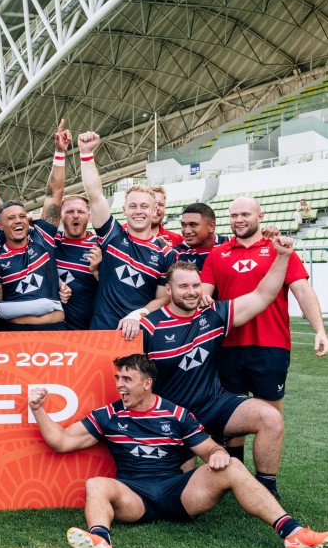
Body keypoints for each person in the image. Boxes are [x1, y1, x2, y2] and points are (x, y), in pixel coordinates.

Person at [28, 354, 328, 548]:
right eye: (118, 377)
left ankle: (293, 534)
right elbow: (62, 441)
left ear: (146, 383)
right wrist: (39, 409)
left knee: (234, 466)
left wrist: (220, 454)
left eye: (127, 379)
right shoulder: (108, 415)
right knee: (96, 484)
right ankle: (100, 542)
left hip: (178, 493)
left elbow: (209, 449)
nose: (120, 384)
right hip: (135, 497)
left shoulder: (176, 414)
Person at [138, 253, 292, 496]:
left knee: (270, 417)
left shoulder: (213, 313)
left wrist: (283, 256)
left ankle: (266, 488)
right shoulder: (148, 327)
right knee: (181, 490)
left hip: (213, 404)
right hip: (173, 418)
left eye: (196, 285)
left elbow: (263, 295)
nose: (191, 291)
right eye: (184, 286)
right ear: (168, 289)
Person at [200, 196, 327, 425]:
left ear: (260, 217)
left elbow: (302, 290)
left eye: (245, 215)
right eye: (233, 215)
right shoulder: (217, 254)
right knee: (230, 418)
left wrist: (319, 329)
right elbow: (203, 293)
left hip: (271, 345)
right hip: (227, 345)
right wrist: (203, 298)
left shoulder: (281, 250)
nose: (239, 220)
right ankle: (235, 463)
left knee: (271, 421)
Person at [79, 132, 176, 333]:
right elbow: (95, 195)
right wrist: (86, 154)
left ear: (154, 210)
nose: (138, 211)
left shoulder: (166, 253)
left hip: (138, 334)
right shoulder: (112, 236)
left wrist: (137, 315)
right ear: (124, 210)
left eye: (144, 206)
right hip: (101, 332)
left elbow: (164, 298)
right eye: (132, 206)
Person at [0, 121, 72, 330]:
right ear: (0, 226)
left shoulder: (42, 236)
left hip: (54, 333)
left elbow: (55, 194)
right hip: (16, 337)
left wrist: (59, 154)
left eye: (22, 216)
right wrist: (47, 310)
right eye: (11, 218)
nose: (18, 221)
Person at [55, 194, 102, 329]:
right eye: (69, 211)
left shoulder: (99, 246)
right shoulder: (51, 242)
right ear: (61, 216)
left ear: (89, 216)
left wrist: (97, 271)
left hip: (89, 330)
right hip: (55, 329)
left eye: (81, 211)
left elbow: (112, 289)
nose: (75, 215)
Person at [172, 202, 230, 271]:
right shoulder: (175, 254)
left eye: (193, 225)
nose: (187, 231)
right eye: (183, 225)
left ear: (211, 226)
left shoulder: (231, 244)